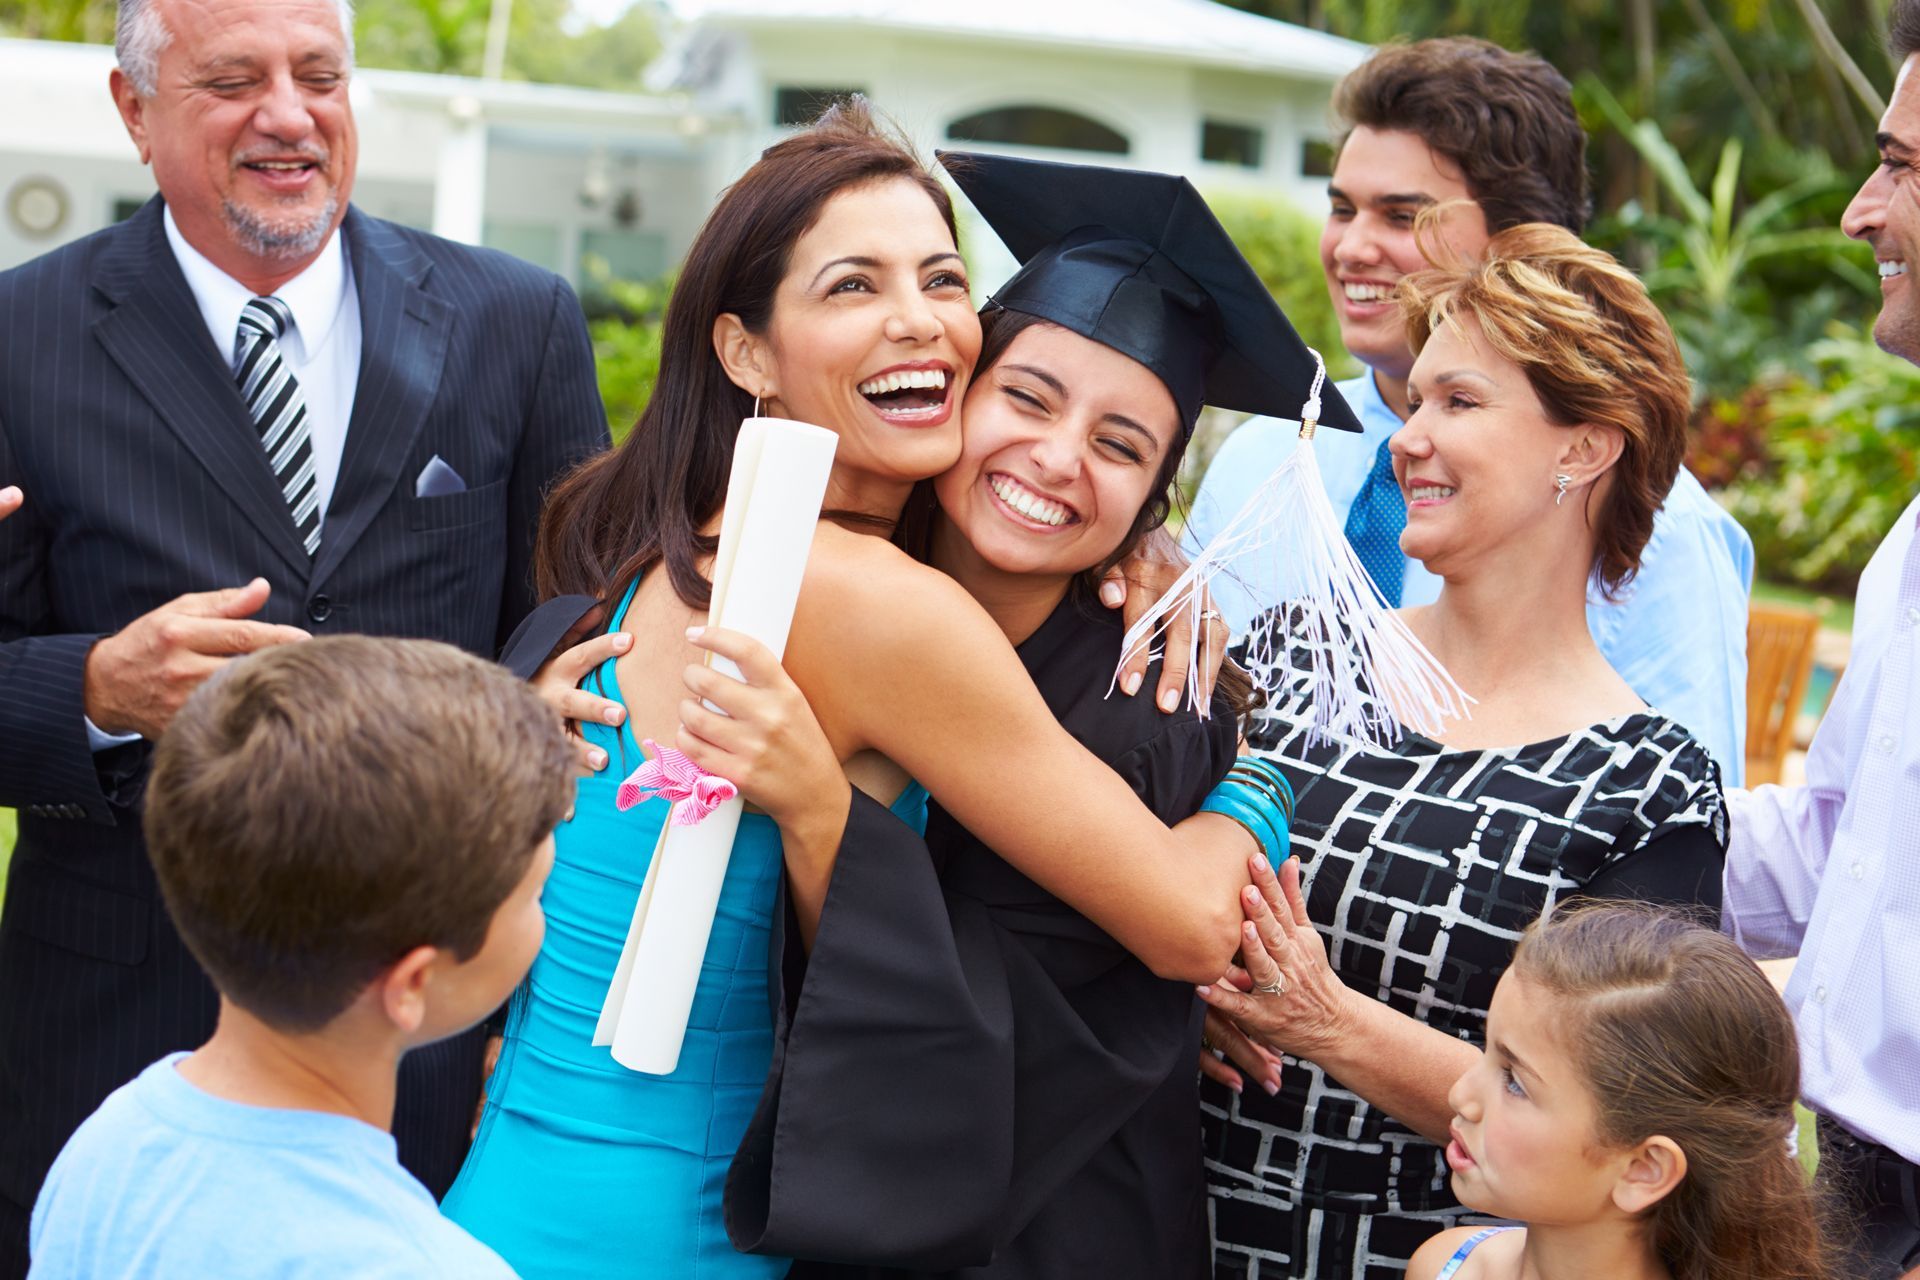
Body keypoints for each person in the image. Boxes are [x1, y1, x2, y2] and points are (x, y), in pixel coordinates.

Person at [444, 109, 1313, 1279]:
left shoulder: (631, 568)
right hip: (679, 1234)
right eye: (855, 285)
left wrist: (1136, 547)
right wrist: (1255, 779)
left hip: (485, 1212)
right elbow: (1194, 919)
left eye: (943, 277)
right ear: (747, 351)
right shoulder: (878, 602)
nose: (918, 318)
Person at [0, 0, 607, 1260]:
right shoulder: (16, 339)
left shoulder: (518, 320)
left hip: (430, 1053)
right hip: (117, 1038)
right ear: (134, 112)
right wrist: (99, 685)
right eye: (232, 80)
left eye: (319, 75)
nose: (289, 114)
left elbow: (577, 622)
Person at [677, 150, 1339, 1279]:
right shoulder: (847, 579)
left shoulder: (1145, 700)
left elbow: (1018, 1023)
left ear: (1154, 500)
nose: (1055, 456)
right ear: (960, 391)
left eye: (1122, 447)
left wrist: (1250, 780)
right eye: (1025, 398)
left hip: (1045, 1226)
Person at [1197, 224, 1728, 1279]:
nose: (1408, 435)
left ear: (1584, 447)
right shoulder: (1293, 652)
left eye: (1461, 403)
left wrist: (1328, 1020)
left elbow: (1615, 1121)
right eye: (1416, 399)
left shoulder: (1648, 787)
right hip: (1161, 1216)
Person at [1185, 37, 1755, 785]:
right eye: (1341, 208)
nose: (1352, 247)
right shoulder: (1259, 459)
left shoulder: (1650, 523)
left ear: (1520, 246)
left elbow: (1685, 824)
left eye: (1401, 216)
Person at [27, 636, 574, 1279]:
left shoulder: (105, 1146)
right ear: (412, 984)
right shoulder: (427, 1265)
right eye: (534, 893)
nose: (539, 910)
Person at [1722, 5, 1920, 1275]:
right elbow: (1844, 839)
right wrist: (1566, 811)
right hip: (1851, 1177)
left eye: (1901, 166)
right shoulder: (1909, 542)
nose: (1858, 211)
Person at [1407, 904, 1828, 1280]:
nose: (1460, 1094)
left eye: (1515, 1082)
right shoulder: (1445, 1265)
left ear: (1644, 1168)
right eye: (1486, 1051)